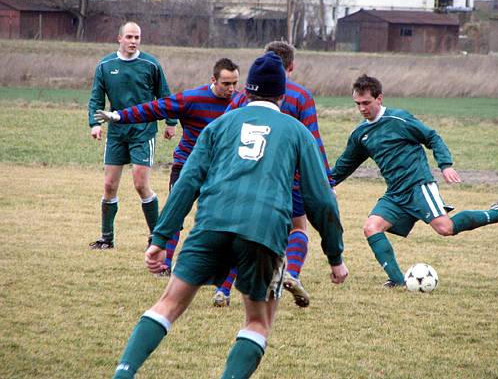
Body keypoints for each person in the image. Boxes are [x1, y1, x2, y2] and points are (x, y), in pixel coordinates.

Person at [111, 52, 349, 379]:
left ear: (246, 91)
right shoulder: (297, 133)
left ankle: (123, 373)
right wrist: (335, 256)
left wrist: (160, 239)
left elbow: (187, 183)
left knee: (168, 304)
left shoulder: (219, 126)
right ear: (283, 94)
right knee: (257, 321)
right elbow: (321, 200)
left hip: (211, 224)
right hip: (263, 232)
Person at [331, 74, 498, 288]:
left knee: (445, 228)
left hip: (419, 186)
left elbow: (432, 137)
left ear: (379, 99)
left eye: (366, 103)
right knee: (371, 227)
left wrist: (445, 164)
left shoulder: (400, 119)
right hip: (395, 193)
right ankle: (398, 282)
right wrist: (323, 184)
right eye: (357, 104)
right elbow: (345, 165)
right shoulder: (361, 134)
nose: (362, 108)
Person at [214, 40, 334, 308]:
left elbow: (224, 131)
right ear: (291, 67)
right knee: (298, 227)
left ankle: (223, 289)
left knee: (241, 231)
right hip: (289, 179)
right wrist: (327, 180)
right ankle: (291, 273)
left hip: (247, 174)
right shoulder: (301, 96)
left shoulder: (244, 96)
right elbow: (313, 141)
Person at [94, 58, 240, 274]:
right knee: (175, 217)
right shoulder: (192, 98)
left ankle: (216, 269)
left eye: (235, 83)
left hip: (220, 169)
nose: (232, 89)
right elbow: (155, 108)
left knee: (220, 219)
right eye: (226, 83)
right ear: (214, 80)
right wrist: (119, 116)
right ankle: (164, 266)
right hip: (186, 166)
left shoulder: (240, 103)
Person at [87, 22, 177, 250]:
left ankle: (155, 239)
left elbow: (165, 96)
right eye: (129, 37)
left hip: (143, 131)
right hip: (117, 132)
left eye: (137, 37)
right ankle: (107, 238)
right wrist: (95, 124)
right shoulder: (106, 65)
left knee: (140, 184)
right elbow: (96, 98)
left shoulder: (150, 64)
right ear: (119, 38)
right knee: (109, 185)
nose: (133, 41)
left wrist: (171, 122)